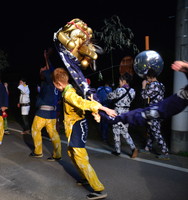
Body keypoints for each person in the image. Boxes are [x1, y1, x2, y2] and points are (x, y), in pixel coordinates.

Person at [52, 67, 117, 200]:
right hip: (73, 128)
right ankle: (85, 178)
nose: (55, 87)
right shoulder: (68, 90)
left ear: (58, 83)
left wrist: (103, 108)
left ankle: (98, 189)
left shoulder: (69, 94)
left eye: (54, 84)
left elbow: (82, 103)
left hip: (77, 127)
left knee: (80, 157)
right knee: (72, 153)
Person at [29, 49, 62, 161]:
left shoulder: (50, 81)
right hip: (52, 113)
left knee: (35, 129)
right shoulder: (54, 83)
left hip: (43, 112)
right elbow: (50, 70)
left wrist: (46, 58)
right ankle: (57, 154)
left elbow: (50, 69)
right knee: (53, 134)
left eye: (43, 68)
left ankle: (38, 152)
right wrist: (46, 59)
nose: (42, 68)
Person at [107, 73, 138, 158]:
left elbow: (109, 97)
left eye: (120, 81)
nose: (119, 83)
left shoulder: (119, 90)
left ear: (124, 81)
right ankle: (133, 148)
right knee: (125, 131)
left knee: (116, 131)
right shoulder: (133, 91)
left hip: (117, 112)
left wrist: (114, 90)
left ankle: (117, 150)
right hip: (127, 113)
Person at [140, 68, 169, 160]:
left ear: (150, 77)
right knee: (150, 129)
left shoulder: (153, 85)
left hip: (154, 111)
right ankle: (147, 148)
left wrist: (144, 86)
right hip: (159, 110)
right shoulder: (161, 85)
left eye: (147, 77)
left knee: (155, 131)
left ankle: (165, 152)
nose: (146, 79)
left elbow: (144, 96)